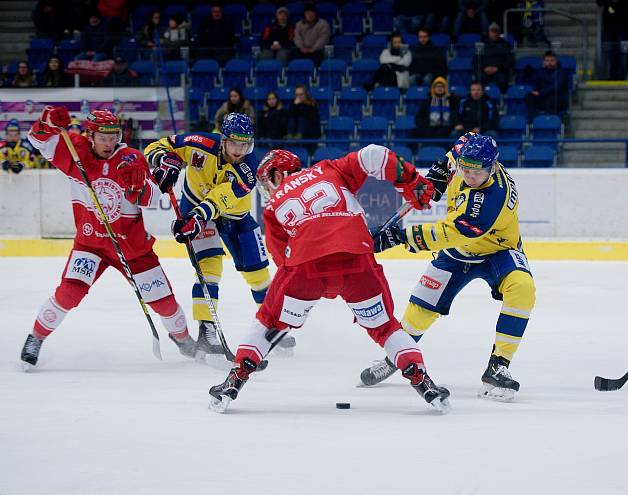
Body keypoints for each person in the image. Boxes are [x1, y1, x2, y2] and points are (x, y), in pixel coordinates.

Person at [207, 145, 451, 413]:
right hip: (357, 256)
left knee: (268, 323)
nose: (267, 189)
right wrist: (412, 183)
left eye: (267, 180)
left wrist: (302, 300)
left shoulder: (273, 207)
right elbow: (373, 155)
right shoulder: (328, 169)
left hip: (304, 266)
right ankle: (423, 381)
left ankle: (234, 380)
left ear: (278, 173)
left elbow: (283, 263)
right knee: (385, 328)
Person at [363, 133, 535, 402]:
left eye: (476, 172)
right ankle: (398, 354)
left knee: (522, 288)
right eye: (464, 168)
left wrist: (399, 236)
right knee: (420, 309)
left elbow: (450, 233)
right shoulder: (467, 153)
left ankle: (498, 366)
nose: (468, 175)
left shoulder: (491, 199)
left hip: (498, 249)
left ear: (493, 166)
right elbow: (452, 156)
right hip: (457, 254)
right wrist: (437, 177)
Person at [20, 106, 195, 369]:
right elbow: (37, 139)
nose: (109, 142)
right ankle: (36, 337)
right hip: (90, 244)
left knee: (163, 302)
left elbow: (152, 198)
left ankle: (183, 339)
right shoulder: (74, 150)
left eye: (114, 136)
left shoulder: (131, 158)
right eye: (103, 137)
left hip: (132, 247)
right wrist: (47, 120)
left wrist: (137, 188)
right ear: (90, 136)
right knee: (69, 293)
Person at [144, 113, 296, 364]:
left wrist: (197, 216)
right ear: (223, 140)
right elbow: (157, 146)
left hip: (234, 217)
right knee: (209, 267)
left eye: (245, 144)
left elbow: (221, 197)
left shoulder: (249, 167)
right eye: (235, 143)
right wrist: (164, 159)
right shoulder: (197, 143)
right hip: (196, 210)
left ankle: (272, 324)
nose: (240, 150)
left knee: (258, 275)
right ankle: (207, 330)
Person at [524, 49, 571, 119]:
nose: (549, 63)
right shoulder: (540, 72)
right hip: (544, 99)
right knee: (528, 96)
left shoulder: (562, 72)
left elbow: (556, 87)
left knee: (552, 100)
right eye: (547, 61)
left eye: (552, 60)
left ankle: (551, 121)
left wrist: (540, 93)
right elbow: (536, 86)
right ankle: (533, 119)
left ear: (556, 61)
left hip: (558, 100)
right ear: (544, 62)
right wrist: (536, 91)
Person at [477, 22, 515, 91]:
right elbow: (477, 60)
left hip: (500, 71)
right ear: (489, 32)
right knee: (478, 81)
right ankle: (482, 100)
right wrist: (484, 68)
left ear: (499, 33)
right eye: (492, 31)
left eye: (496, 31)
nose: (495, 34)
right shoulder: (481, 44)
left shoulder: (505, 45)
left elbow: (510, 61)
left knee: (503, 81)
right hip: (485, 71)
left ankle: (502, 100)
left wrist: (497, 68)